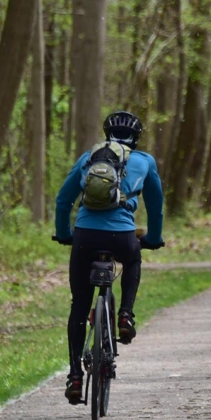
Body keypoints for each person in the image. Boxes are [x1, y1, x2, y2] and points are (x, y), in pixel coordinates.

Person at [53, 111, 165, 404]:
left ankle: (75, 375)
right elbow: (155, 206)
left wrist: (65, 234)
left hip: (85, 236)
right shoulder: (145, 162)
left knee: (80, 305)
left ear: (106, 133)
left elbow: (63, 200)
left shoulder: (89, 158)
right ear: (136, 138)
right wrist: (153, 238)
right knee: (132, 259)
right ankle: (125, 314)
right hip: (123, 237)